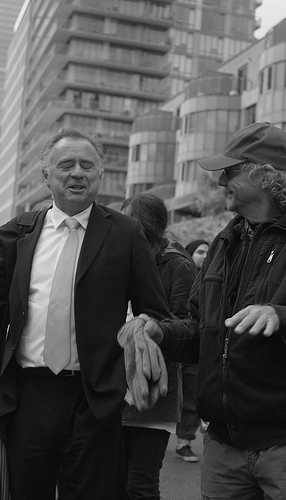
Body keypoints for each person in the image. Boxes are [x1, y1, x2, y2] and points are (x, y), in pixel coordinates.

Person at [119, 122, 286, 499]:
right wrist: (162, 332)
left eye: (229, 171)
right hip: (222, 443)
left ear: (265, 176)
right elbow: (202, 329)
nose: (219, 182)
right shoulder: (225, 241)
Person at [0, 128, 171, 500]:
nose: (78, 173)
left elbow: (155, 313)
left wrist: (126, 379)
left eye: (87, 165)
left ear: (100, 174)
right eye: (66, 165)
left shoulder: (126, 233)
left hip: (94, 401)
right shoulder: (16, 235)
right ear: (46, 176)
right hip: (25, 398)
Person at [121, 194, 196, 499]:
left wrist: (149, 328)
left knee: (140, 482)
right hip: (112, 386)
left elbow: (187, 325)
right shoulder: (120, 257)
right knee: (109, 479)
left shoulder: (178, 266)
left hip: (153, 387)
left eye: (128, 220)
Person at [174, 238, 210, 463]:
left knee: (193, 393)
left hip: (198, 346)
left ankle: (184, 441)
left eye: (208, 252)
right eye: (200, 251)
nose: (204, 256)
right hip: (178, 342)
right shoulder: (180, 274)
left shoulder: (210, 280)